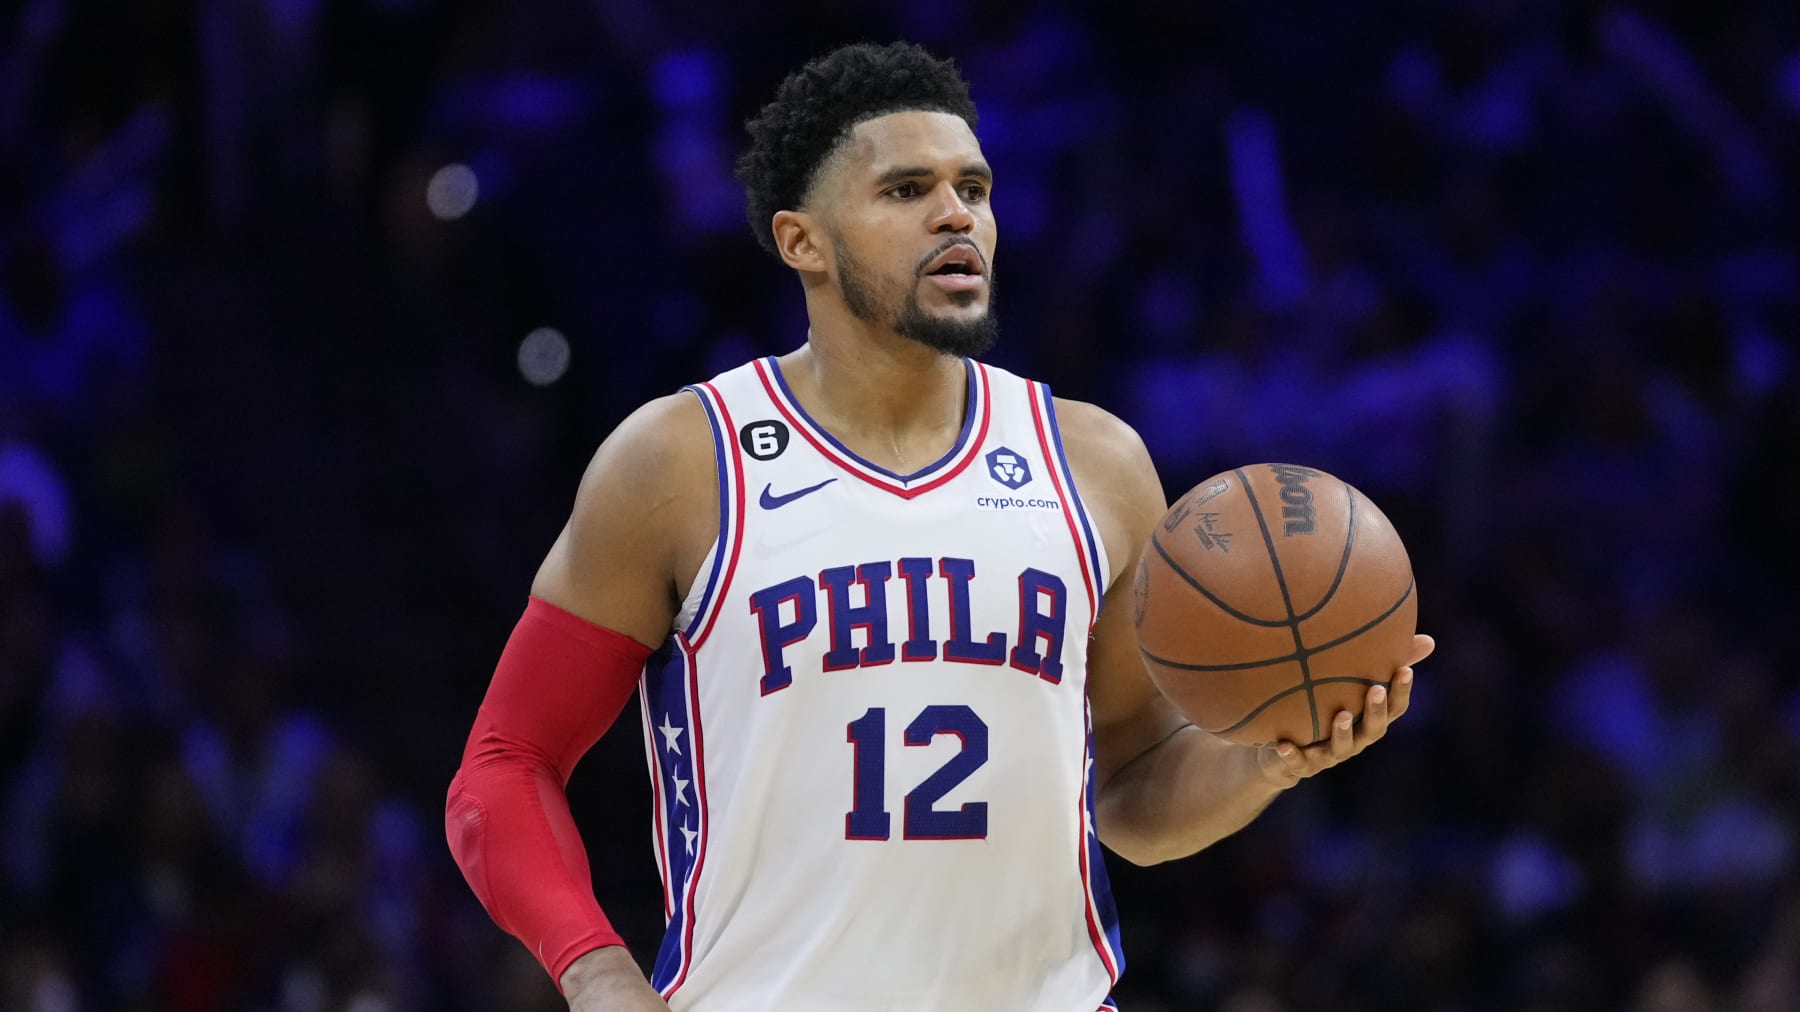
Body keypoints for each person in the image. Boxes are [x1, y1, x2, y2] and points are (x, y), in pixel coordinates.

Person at [444, 41, 1434, 1012]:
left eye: (975, 186)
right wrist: (595, 969)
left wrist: (1262, 761)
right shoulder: (681, 463)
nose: (957, 213)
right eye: (906, 190)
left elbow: (1130, 794)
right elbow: (504, 766)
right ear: (803, 241)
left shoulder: (1095, 462)